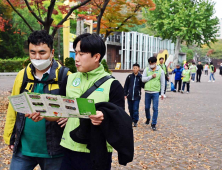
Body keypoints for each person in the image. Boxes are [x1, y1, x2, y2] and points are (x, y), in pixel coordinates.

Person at [27, 33, 134, 170]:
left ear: (96, 57)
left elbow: (119, 120)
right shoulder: (70, 79)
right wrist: (43, 114)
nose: (76, 58)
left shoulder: (112, 85)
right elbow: (59, 113)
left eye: (81, 54)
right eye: (75, 53)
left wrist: (103, 117)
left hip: (96, 152)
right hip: (68, 149)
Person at [3, 30, 71, 170]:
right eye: (32, 52)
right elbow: (13, 108)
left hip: (55, 150)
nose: (37, 57)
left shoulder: (66, 76)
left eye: (42, 52)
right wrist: (10, 136)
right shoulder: (22, 76)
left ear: (51, 52)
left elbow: (75, 108)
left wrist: (68, 116)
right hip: (24, 149)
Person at [142, 57, 165, 131]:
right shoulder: (147, 69)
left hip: (155, 92)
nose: (151, 65)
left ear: (155, 63)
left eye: (152, 63)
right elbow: (143, 79)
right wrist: (151, 76)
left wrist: (162, 93)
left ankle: (153, 123)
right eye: (150, 63)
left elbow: (163, 82)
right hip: (147, 92)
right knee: (146, 107)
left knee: (155, 108)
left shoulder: (160, 71)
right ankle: (148, 118)